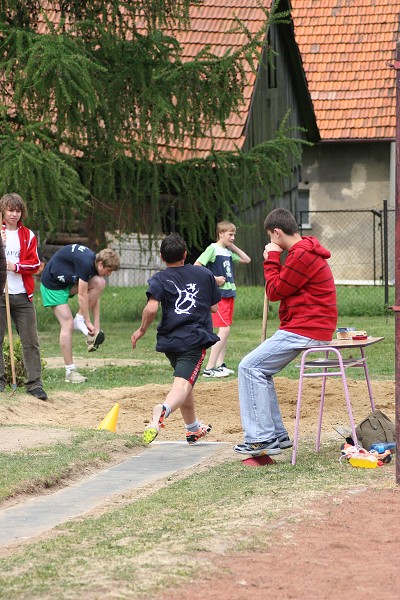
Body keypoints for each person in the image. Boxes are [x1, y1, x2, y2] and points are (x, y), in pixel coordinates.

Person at [234, 208, 337, 457]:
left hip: (306, 327)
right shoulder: (304, 251)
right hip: (310, 325)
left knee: (248, 367)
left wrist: (271, 258)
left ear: (277, 233)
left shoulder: (301, 255)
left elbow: (275, 290)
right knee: (261, 369)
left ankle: (261, 440)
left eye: (271, 237)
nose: (271, 242)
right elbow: (285, 288)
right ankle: (277, 435)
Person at [131, 232, 221, 444]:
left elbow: (152, 308)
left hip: (171, 341)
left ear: (162, 257)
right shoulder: (204, 274)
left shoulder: (160, 279)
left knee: (185, 383)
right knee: (181, 387)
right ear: (185, 254)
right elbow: (214, 307)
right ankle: (162, 411)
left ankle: (192, 428)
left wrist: (142, 330)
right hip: (193, 340)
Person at [40, 243, 120, 383]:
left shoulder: (94, 262)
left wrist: (96, 325)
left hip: (66, 282)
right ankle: (70, 372)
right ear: (101, 264)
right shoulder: (86, 264)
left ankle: (79, 320)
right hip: (52, 285)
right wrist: (86, 320)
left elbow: (95, 295)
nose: (109, 274)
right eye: (109, 270)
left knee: (99, 283)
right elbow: (82, 295)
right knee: (68, 324)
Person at [0, 193, 47, 399]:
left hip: (22, 295)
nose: (14, 214)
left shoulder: (28, 235)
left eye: (18, 211)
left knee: (30, 341)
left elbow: (35, 264)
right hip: (1, 294)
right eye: (10, 210)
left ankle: (35, 384)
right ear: (3, 210)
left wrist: (15, 266)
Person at [195, 220, 251, 378]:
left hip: (229, 294)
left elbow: (247, 259)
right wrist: (214, 279)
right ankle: (209, 368)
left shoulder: (227, 252)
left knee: (224, 330)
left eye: (234, 235)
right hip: (219, 296)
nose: (233, 237)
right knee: (224, 329)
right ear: (220, 233)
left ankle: (219, 365)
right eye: (230, 234)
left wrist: (232, 246)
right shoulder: (212, 249)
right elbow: (197, 267)